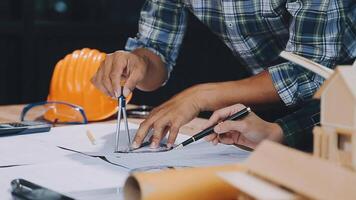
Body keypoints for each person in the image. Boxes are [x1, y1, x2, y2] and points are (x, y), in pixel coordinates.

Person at [91, 0, 356, 149]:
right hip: (275, 105)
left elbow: (309, 73)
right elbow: (156, 49)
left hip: (345, 92)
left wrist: (201, 96)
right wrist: (138, 62)